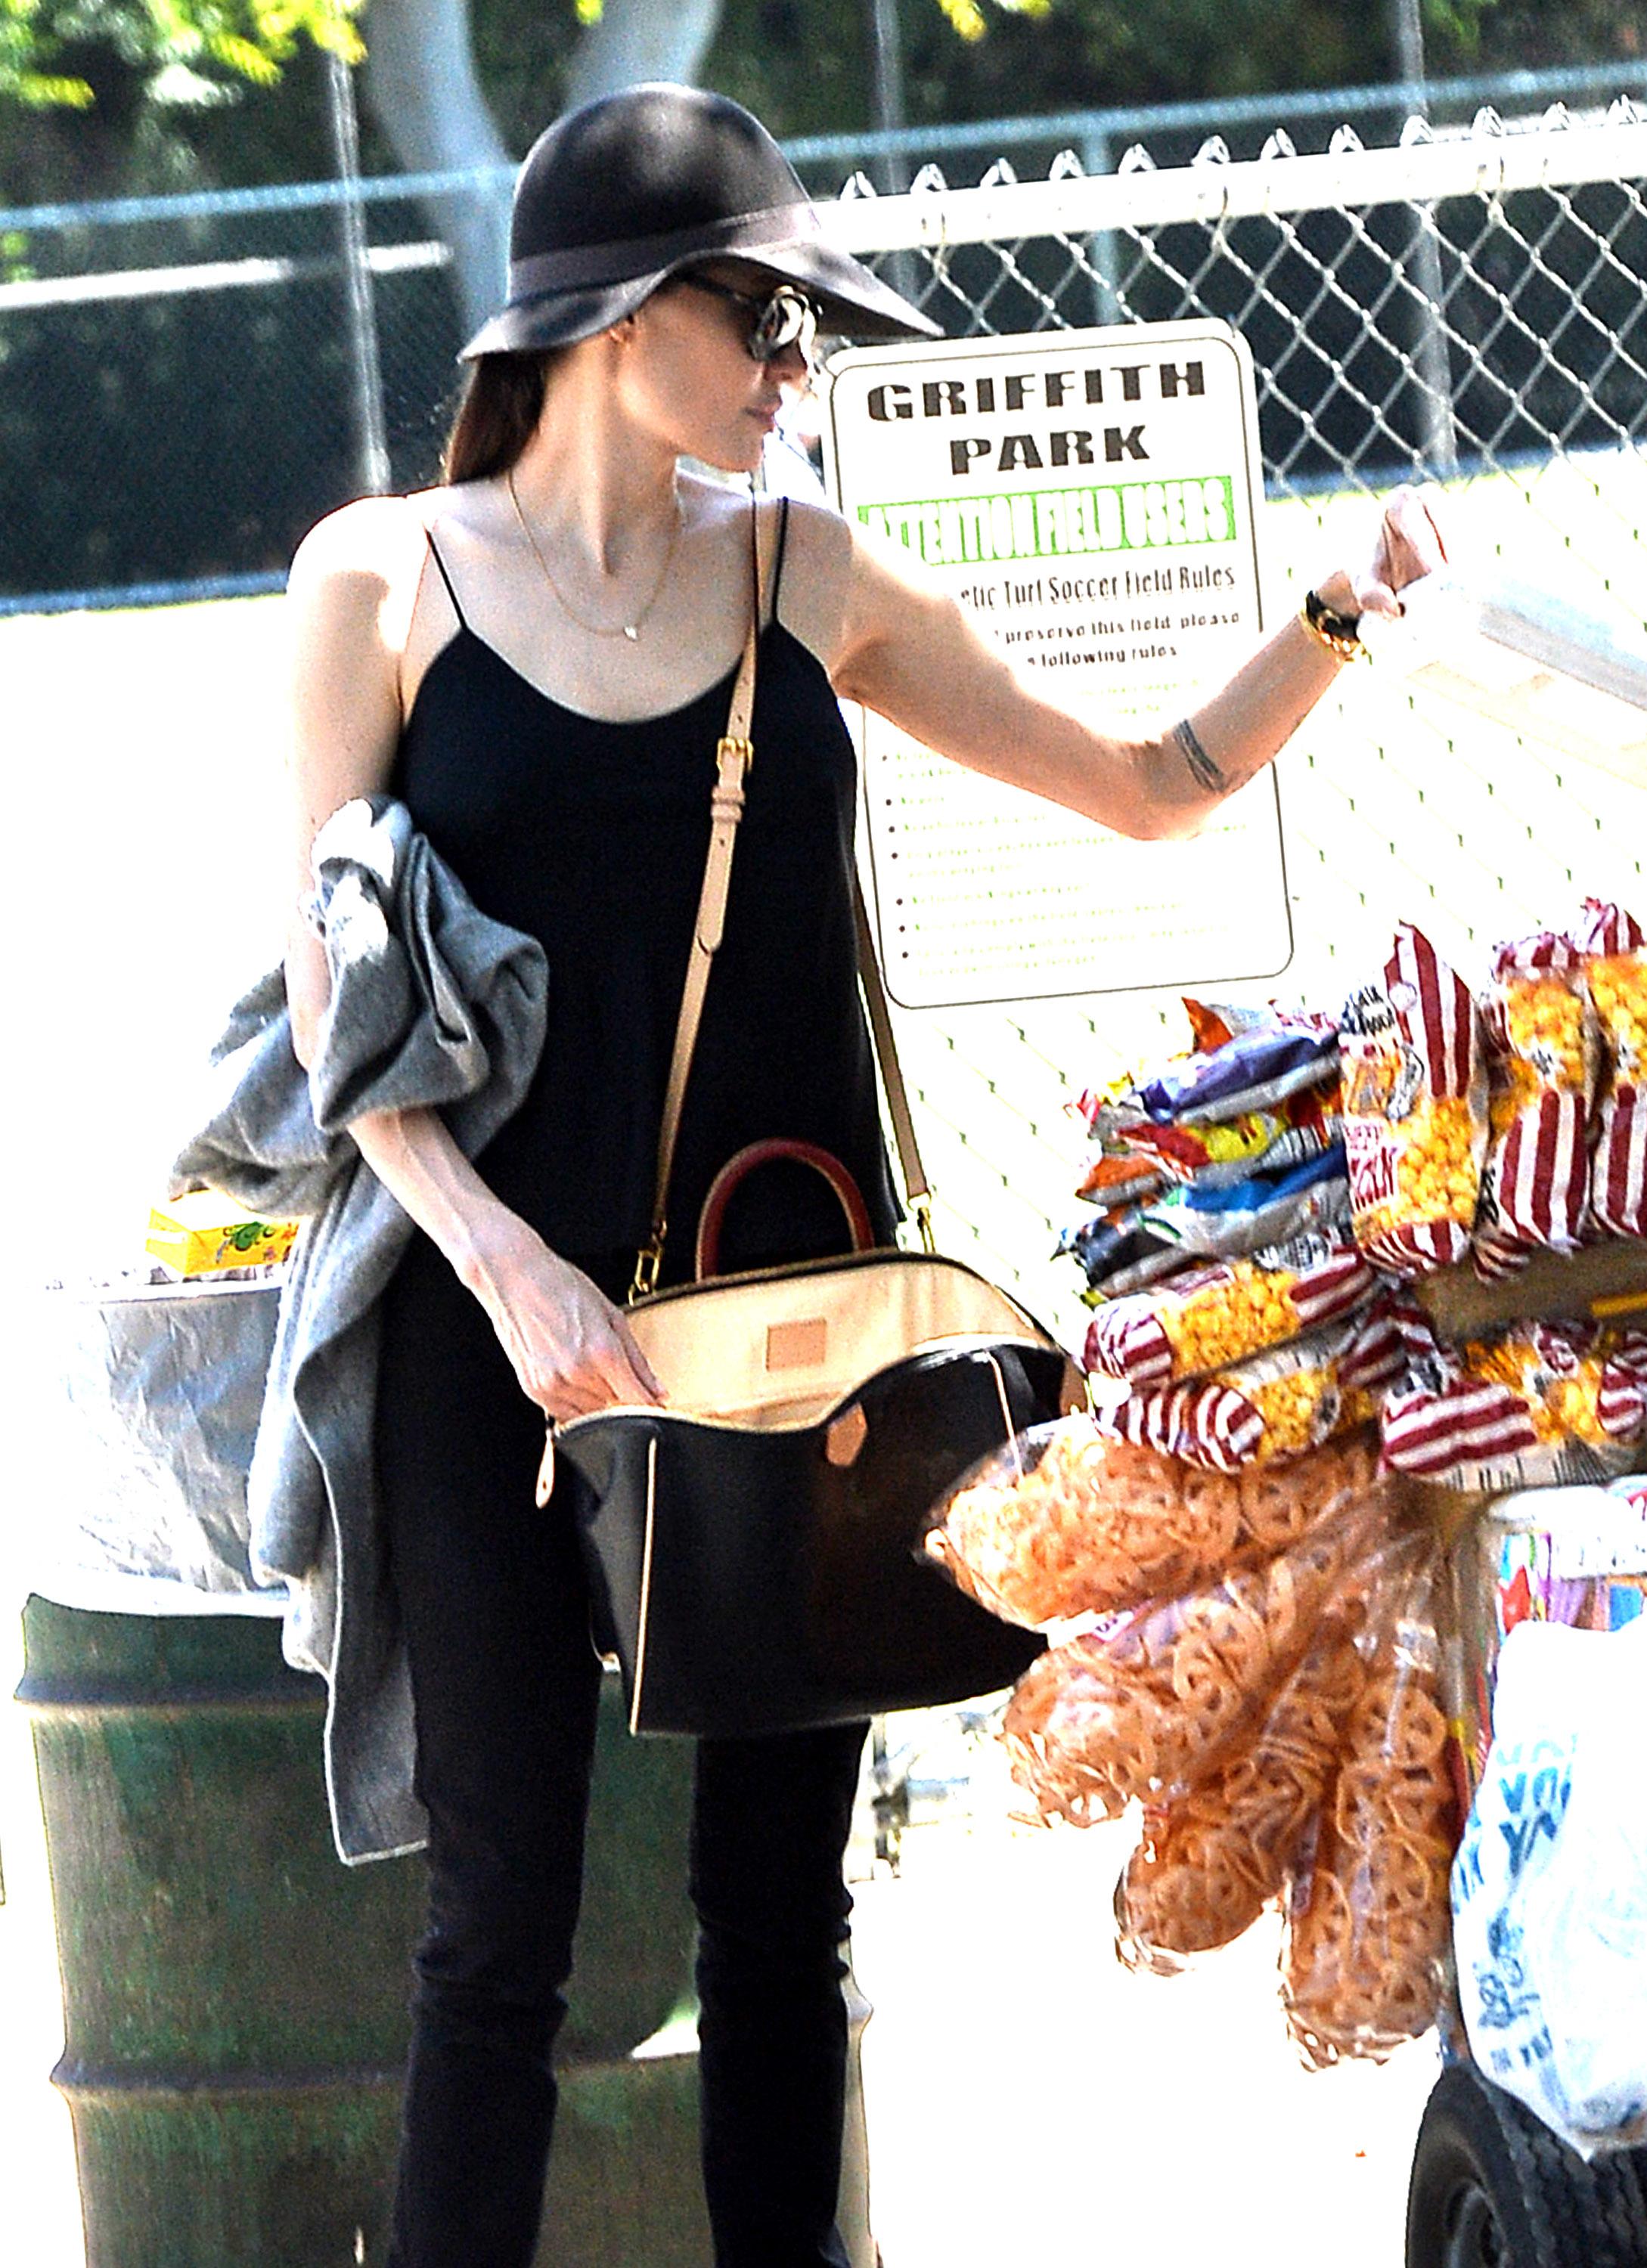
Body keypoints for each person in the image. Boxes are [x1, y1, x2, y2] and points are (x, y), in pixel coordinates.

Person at [281, 81, 1448, 2268]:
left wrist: (1337, 613)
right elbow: (346, 1031)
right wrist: (517, 1273)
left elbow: (1148, 786)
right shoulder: (381, 585)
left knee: (777, 1928)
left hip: (786, 1322)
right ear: (630, 325)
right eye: (770, 321)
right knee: (498, 1924)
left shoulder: (799, 569)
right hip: (497, 1339)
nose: (800, 371)